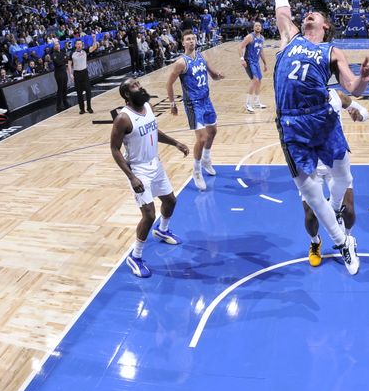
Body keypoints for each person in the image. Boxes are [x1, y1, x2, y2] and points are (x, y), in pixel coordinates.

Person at [273, 0, 369, 275]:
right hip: (292, 123)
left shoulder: (331, 51)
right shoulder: (290, 37)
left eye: (315, 14)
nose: (308, 14)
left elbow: (351, 88)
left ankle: (336, 214)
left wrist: (364, 80)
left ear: (326, 26)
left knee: (344, 178)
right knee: (310, 195)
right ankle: (340, 242)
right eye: (306, 13)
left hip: (323, 119)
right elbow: (280, 2)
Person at [110, 77, 189, 278]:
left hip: (155, 163)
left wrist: (175, 143)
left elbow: (153, 130)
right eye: (134, 86)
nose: (140, 86)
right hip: (138, 169)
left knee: (170, 200)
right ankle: (135, 257)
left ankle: (163, 230)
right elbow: (114, 149)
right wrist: (131, 177)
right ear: (127, 94)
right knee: (149, 215)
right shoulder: (123, 118)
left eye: (138, 83)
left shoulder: (147, 105)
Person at [304, 89, 369, 266]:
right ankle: (315, 242)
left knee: (349, 208)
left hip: (336, 163)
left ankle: (347, 240)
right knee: (310, 216)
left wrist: (360, 115)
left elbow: (364, 111)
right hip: (312, 166)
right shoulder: (298, 99)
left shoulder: (336, 95)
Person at [166, 29, 224, 191]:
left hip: (206, 100)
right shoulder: (181, 63)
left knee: (213, 131)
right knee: (202, 138)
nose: (191, 41)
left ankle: (206, 158)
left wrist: (219, 75)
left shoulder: (202, 56)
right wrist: (172, 104)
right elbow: (169, 84)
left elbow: (212, 75)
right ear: (183, 43)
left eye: (193, 38)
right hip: (193, 104)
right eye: (188, 39)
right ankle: (196, 171)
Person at [238, 21, 268, 113]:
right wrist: (242, 59)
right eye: (256, 26)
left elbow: (261, 51)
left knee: (259, 80)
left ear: (261, 28)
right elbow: (240, 47)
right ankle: (248, 104)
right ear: (253, 28)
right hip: (249, 61)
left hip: (256, 62)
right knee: (254, 79)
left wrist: (265, 63)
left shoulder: (262, 38)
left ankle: (257, 102)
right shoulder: (250, 37)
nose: (258, 27)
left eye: (259, 26)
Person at [68, 39, 93, 114]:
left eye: (80, 44)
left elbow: (94, 47)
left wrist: (94, 39)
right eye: (77, 44)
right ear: (75, 45)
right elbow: (69, 64)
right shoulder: (72, 53)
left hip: (84, 72)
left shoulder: (85, 51)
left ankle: (89, 107)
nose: (79, 45)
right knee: (79, 92)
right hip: (77, 73)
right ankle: (82, 109)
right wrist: (71, 74)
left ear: (82, 45)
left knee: (88, 91)